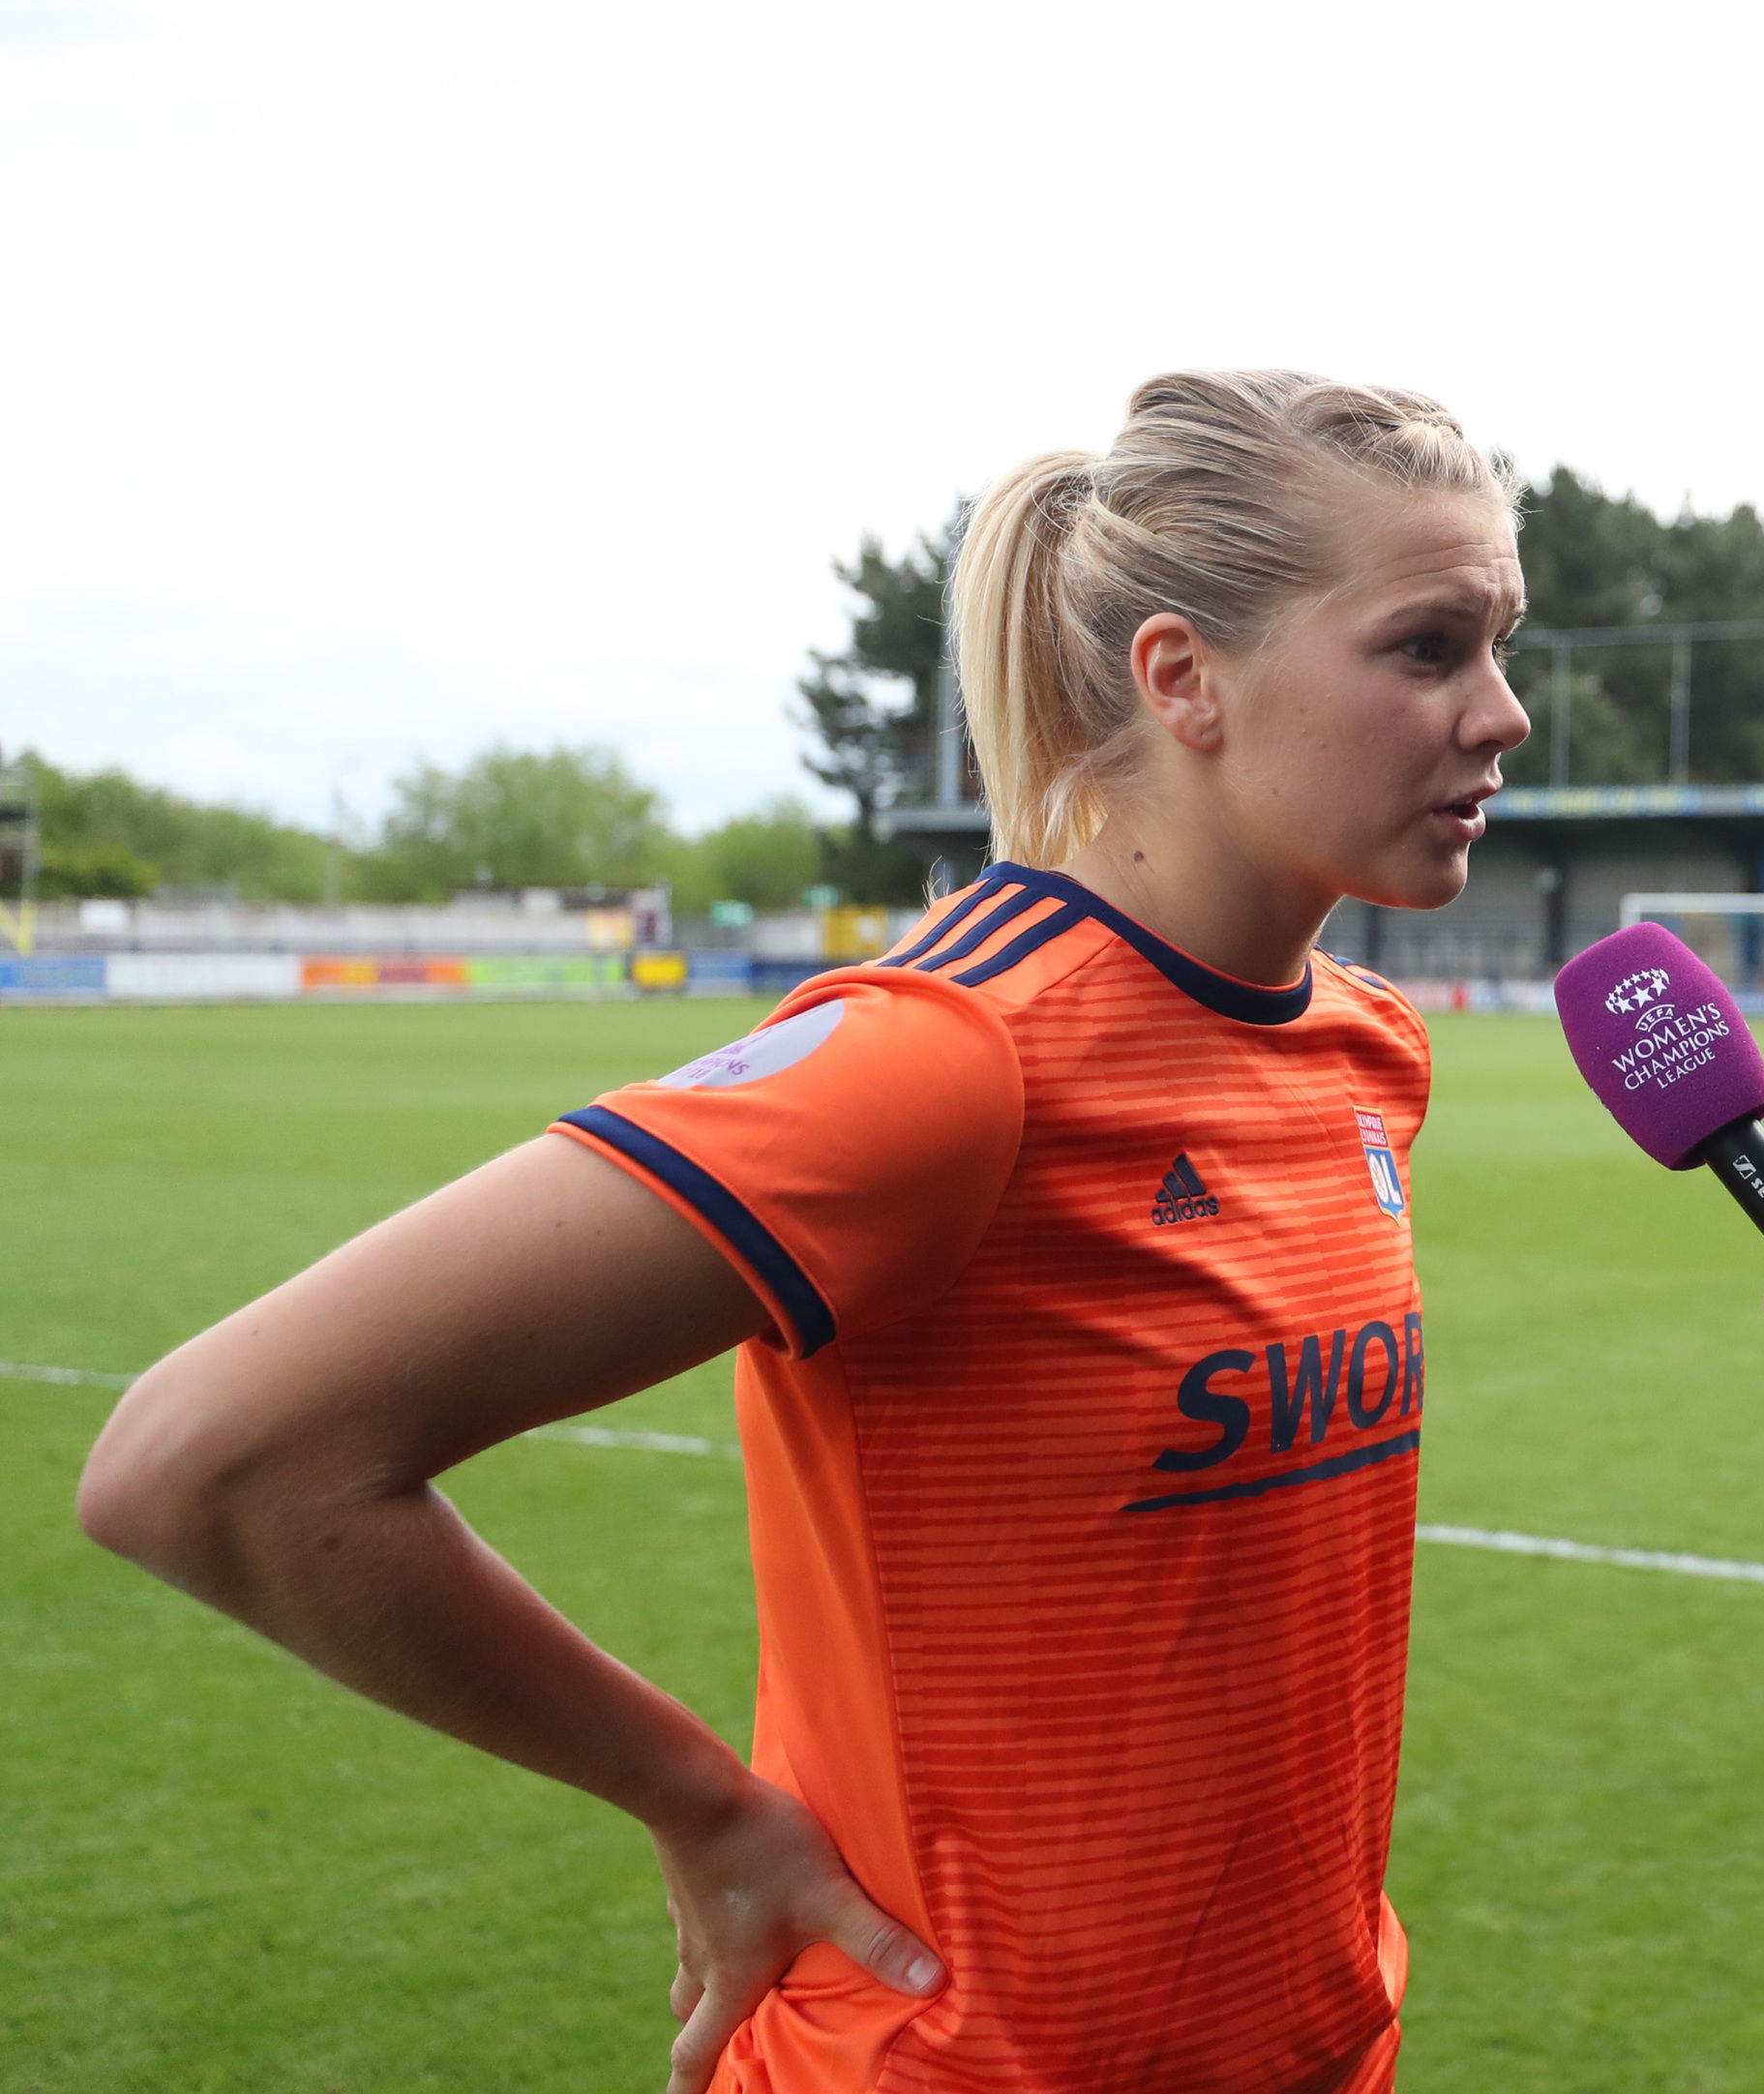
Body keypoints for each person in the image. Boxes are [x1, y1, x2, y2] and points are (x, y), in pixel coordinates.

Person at [76, 371, 1532, 2093]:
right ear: (1183, 677)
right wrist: (695, 1801)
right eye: (1428, 647)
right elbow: (208, 1461)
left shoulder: (1369, 1049)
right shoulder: (949, 1062)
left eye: (1505, 644)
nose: (1502, 712)